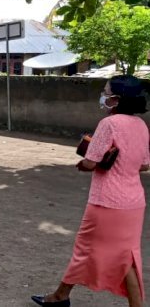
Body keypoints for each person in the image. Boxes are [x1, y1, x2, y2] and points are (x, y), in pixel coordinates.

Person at [31, 75, 149, 307]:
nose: (102, 96)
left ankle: (60, 296)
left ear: (116, 99)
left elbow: (91, 162)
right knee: (125, 254)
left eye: (105, 92)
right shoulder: (141, 125)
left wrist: (87, 159)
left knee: (88, 249)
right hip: (133, 202)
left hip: (107, 202)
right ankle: (60, 295)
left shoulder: (109, 124)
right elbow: (144, 164)